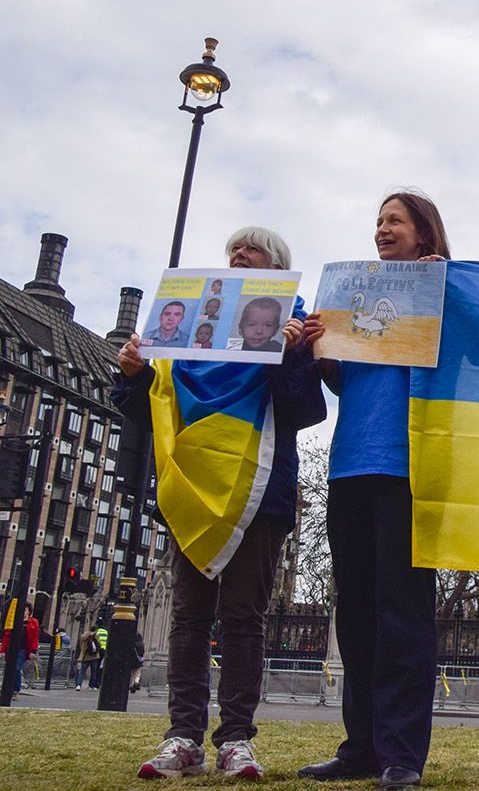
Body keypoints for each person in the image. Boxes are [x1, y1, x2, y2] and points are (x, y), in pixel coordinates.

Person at [115, 226, 325, 781]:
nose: (239, 254)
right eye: (234, 249)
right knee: (188, 617)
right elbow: (150, 410)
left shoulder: (294, 329)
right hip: (193, 488)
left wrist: (290, 356)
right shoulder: (187, 331)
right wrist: (134, 374)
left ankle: (236, 738)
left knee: (243, 617)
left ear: (274, 271)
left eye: (252, 251)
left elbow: (307, 411)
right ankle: (182, 735)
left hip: (259, 491)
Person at [299, 191, 451, 791]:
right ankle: (360, 745)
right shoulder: (351, 296)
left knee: (403, 612)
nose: (382, 230)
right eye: (378, 222)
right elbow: (343, 380)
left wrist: (453, 297)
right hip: (349, 466)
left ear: (424, 233)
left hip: (410, 468)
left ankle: (402, 752)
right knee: (357, 613)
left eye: (394, 220)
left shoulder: (445, 290)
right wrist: (317, 348)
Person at [2, 603, 39, 693]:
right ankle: (8, 688)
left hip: (23, 649)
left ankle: (16, 689)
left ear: (29, 611)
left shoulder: (33, 622)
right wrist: (3, 650)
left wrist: (33, 651)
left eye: (25, 610)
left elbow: (35, 637)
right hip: (11, 648)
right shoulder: (13, 621)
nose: (23, 612)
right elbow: (6, 636)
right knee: (9, 668)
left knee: (17, 668)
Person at [75, 625, 101, 691]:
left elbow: (81, 645)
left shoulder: (84, 636)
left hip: (85, 656)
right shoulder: (96, 636)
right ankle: (91, 686)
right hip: (94, 656)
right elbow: (99, 644)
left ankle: (78, 685)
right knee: (94, 672)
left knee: (82, 671)